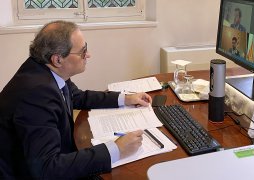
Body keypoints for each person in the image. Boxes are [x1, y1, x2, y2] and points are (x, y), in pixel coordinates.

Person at [0, 20, 152, 179]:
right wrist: (116, 149)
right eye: (82, 51)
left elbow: (77, 96)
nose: (88, 55)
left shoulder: (44, 70)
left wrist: (125, 98)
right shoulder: (36, 95)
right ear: (58, 60)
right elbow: (47, 169)